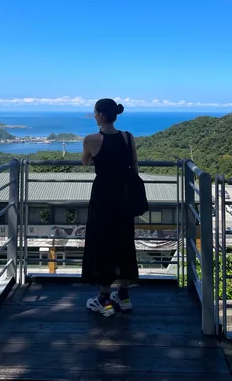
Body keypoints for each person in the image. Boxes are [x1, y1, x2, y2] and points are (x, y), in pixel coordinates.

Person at [80, 98, 140, 317]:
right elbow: (134, 165)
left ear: (101, 116)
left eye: (95, 113)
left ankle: (104, 300)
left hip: (103, 198)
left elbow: (85, 162)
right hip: (124, 198)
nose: (94, 116)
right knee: (125, 244)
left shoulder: (91, 139)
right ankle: (123, 296)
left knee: (103, 245)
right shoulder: (127, 137)